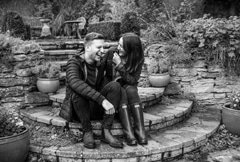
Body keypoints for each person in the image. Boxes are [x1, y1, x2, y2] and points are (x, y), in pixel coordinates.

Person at [59, 32, 123, 149]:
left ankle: (106, 131)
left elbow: (108, 82)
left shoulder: (99, 63)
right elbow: (75, 82)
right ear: (87, 47)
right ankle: (87, 131)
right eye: (99, 47)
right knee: (78, 91)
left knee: (115, 86)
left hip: (95, 108)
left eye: (104, 47)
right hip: (80, 110)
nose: (103, 50)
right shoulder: (74, 63)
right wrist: (102, 100)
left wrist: (113, 65)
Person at [107, 32, 148, 146]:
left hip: (128, 86)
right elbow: (104, 76)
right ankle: (129, 132)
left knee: (131, 90)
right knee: (122, 91)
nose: (118, 47)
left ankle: (140, 131)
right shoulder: (112, 53)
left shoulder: (138, 58)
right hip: (113, 88)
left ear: (130, 48)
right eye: (118, 44)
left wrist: (120, 65)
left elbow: (132, 81)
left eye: (121, 45)